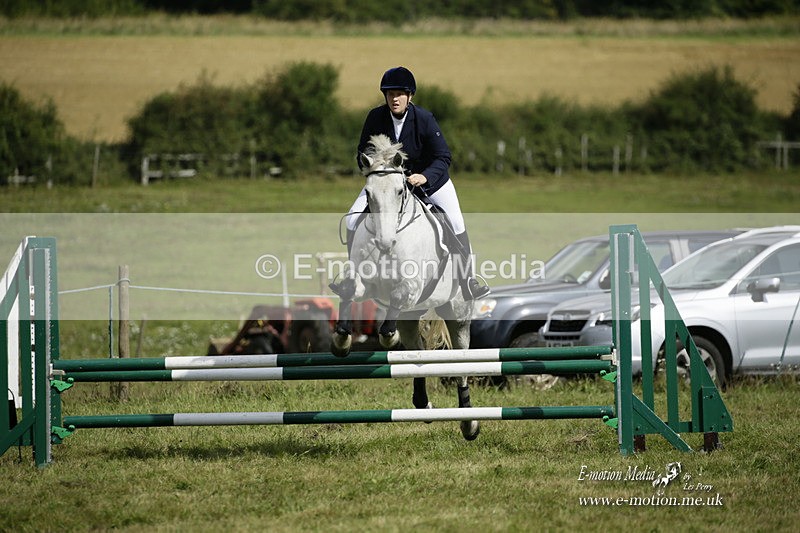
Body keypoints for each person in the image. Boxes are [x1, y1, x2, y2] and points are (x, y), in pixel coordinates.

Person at [335, 66, 490, 300]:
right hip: (388, 185)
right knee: (353, 216)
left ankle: (468, 280)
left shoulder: (424, 119)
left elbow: (443, 157)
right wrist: (370, 165)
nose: (394, 99)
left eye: (399, 94)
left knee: (456, 223)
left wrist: (425, 176)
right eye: (390, 94)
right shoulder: (375, 117)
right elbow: (362, 152)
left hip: (430, 183)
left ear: (410, 96)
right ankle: (352, 277)